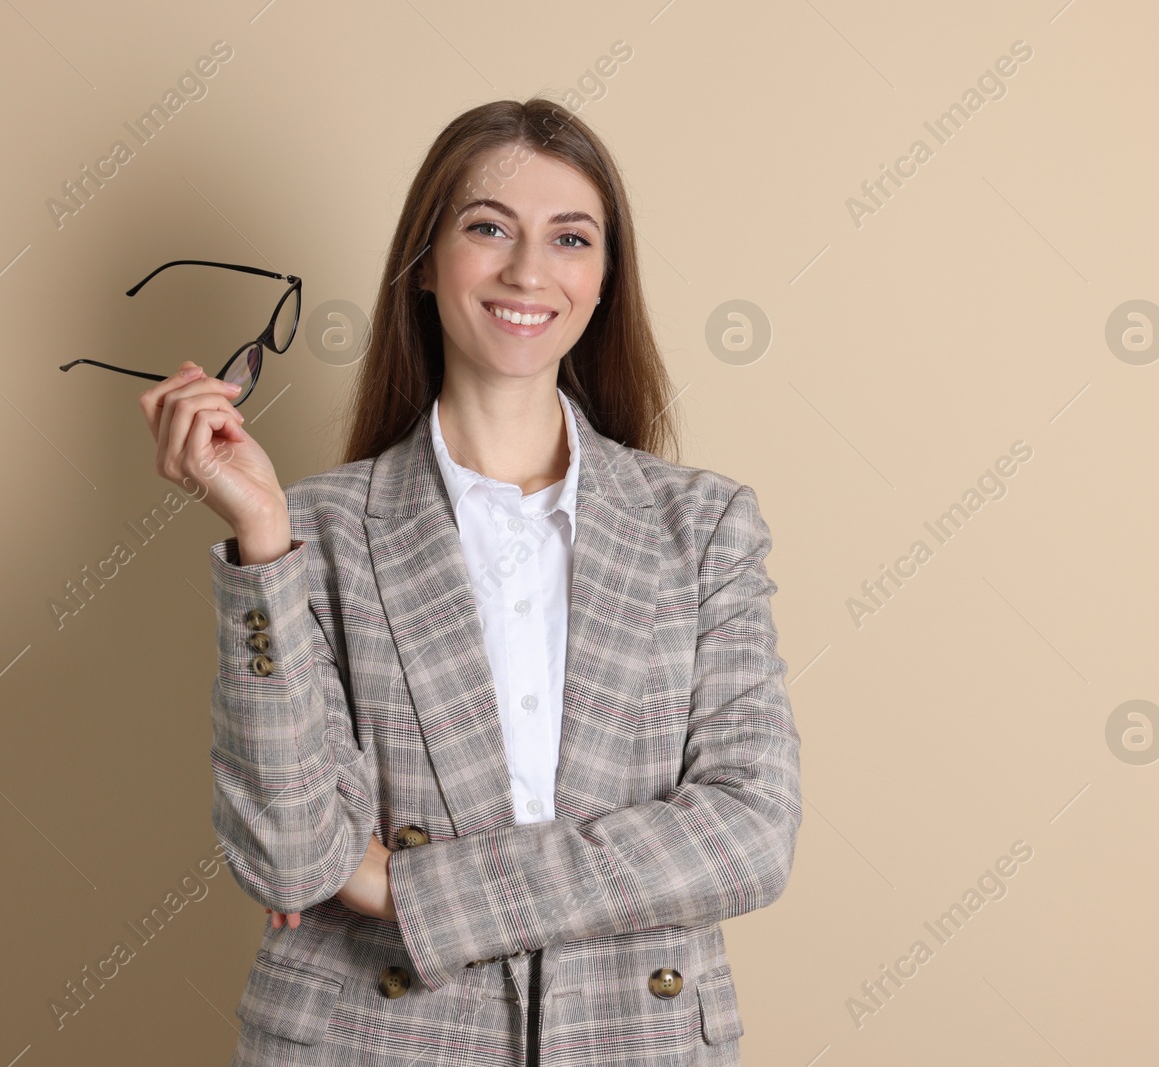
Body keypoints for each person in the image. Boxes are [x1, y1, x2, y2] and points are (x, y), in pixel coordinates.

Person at [139, 97, 802, 1067]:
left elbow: (749, 832)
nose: (527, 270)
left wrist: (405, 887)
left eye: (569, 238)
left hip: (633, 1037)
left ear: (604, 277)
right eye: (487, 227)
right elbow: (287, 852)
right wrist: (260, 537)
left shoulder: (702, 527)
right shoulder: (311, 529)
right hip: (372, 1038)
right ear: (423, 265)